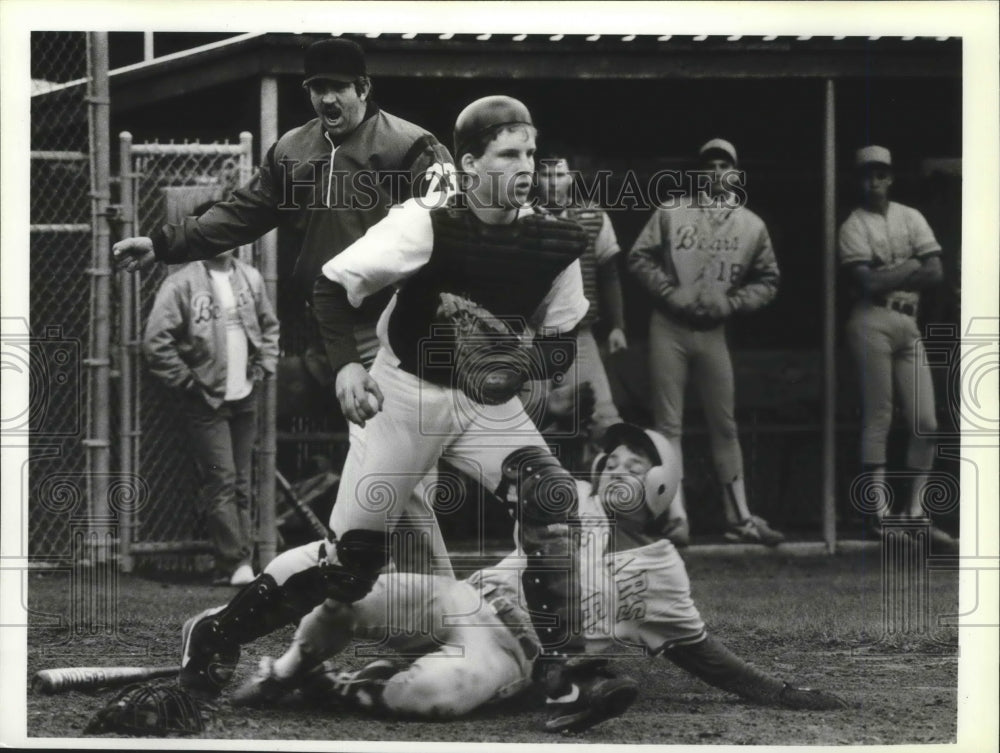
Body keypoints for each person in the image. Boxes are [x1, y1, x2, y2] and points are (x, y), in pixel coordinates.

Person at [169, 95, 641, 734]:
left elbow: (561, 339)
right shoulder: (428, 220)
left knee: (553, 498)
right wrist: (345, 367)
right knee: (351, 566)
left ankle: (569, 673)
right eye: (508, 153)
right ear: (470, 164)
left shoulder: (552, 238)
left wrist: (520, 369)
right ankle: (220, 636)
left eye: (530, 151)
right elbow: (332, 288)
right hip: (407, 394)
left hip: (481, 401)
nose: (525, 164)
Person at [112, 37, 458, 574]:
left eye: (337, 87)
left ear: (363, 88)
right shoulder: (294, 149)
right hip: (335, 320)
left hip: (403, 320)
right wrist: (162, 245)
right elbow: (241, 212)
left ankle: (414, 590)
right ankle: (410, 591)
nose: (326, 99)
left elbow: (450, 227)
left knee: (400, 467)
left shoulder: (410, 145)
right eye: (316, 88)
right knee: (390, 465)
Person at [228, 423, 848, 719]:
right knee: (345, 598)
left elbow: (707, 657)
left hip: (514, 651)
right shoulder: (570, 494)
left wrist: (787, 695)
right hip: (461, 598)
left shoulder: (661, 574)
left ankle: (339, 691)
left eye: (634, 466)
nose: (614, 469)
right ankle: (285, 673)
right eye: (614, 459)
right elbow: (492, 465)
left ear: (661, 488)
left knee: (438, 695)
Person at [627, 138, 784, 546]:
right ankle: (677, 517)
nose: (716, 173)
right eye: (709, 166)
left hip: (713, 331)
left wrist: (733, 302)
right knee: (668, 424)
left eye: (724, 166)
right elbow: (638, 257)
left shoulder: (751, 224)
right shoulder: (671, 211)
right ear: (699, 172)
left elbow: (769, 279)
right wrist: (667, 291)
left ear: (735, 173)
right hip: (670, 325)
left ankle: (740, 517)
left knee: (725, 424)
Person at [142, 218, 280, 585]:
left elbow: (269, 325)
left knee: (241, 481)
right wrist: (188, 382)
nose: (224, 239)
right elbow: (156, 342)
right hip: (206, 397)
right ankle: (234, 564)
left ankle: (240, 562)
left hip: (245, 393)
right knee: (223, 480)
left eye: (230, 230)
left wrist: (264, 364)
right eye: (215, 232)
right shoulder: (182, 283)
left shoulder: (249, 278)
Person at [837, 145, 957, 552]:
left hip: (908, 320)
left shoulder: (911, 216)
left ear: (890, 177)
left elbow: (937, 271)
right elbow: (867, 284)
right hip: (870, 317)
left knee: (926, 418)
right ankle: (878, 513)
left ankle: (915, 513)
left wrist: (893, 273)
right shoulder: (853, 224)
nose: (874, 181)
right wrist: (909, 269)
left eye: (881, 174)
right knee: (880, 415)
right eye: (867, 174)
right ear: (860, 180)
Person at [532, 148, 628, 472]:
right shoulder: (521, 218)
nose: (552, 182)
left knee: (603, 417)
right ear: (535, 177)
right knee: (533, 418)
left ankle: (607, 496)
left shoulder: (592, 216)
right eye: (546, 174)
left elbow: (610, 273)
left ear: (570, 178)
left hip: (580, 334)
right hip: (532, 336)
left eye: (559, 174)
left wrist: (618, 326)